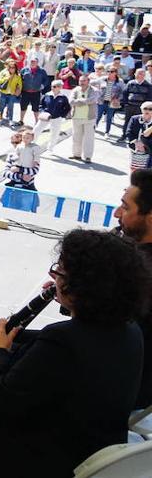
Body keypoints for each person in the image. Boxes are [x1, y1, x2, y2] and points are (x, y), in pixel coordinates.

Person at [0, 229, 149, 478]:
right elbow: (63, 348)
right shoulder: (130, 329)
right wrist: (10, 336)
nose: (54, 276)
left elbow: (1, 400)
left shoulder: (62, 340)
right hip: (90, 448)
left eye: (60, 270)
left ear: (79, 287)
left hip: (43, 460)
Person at [114, 169, 152, 409]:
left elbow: (105, 332)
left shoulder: (139, 271)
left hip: (126, 380)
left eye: (126, 208)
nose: (117, 213)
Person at [68, 73, 99, 162]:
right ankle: (76, 155)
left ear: (88, 82)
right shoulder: (75, 90)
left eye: (84, 81)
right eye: (80, 81)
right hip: (76, 117)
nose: (82, 82)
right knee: (76, 137)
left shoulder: (94, 90)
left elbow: (93, 100)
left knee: (88, 138)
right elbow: (71, 101)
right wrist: (85, 101)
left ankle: (88, 156)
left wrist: (79, 101)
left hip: (89, 118)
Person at [34, 80, 72, 149]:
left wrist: (61, 115)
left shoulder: (63, 97)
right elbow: (41, 105)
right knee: (37, 129)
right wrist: (42, 112)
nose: (52, 88)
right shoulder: (47, 95)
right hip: (45, 117)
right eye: (52, 86)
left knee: (54, 133)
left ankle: (50, 148)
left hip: (56, 118)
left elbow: (67, 108)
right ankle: (32, 144)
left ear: (60, 87)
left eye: (54, 87)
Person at [126, 101, 152, 173]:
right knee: (135, 170)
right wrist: (136, 143)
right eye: (145, 108)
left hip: (149, 150)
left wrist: (144, 145)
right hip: (135, 148)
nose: (147, 110)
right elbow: (128, 132)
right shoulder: (134, 119)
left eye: (150, 109)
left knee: (147, 171)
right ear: (141, 109)